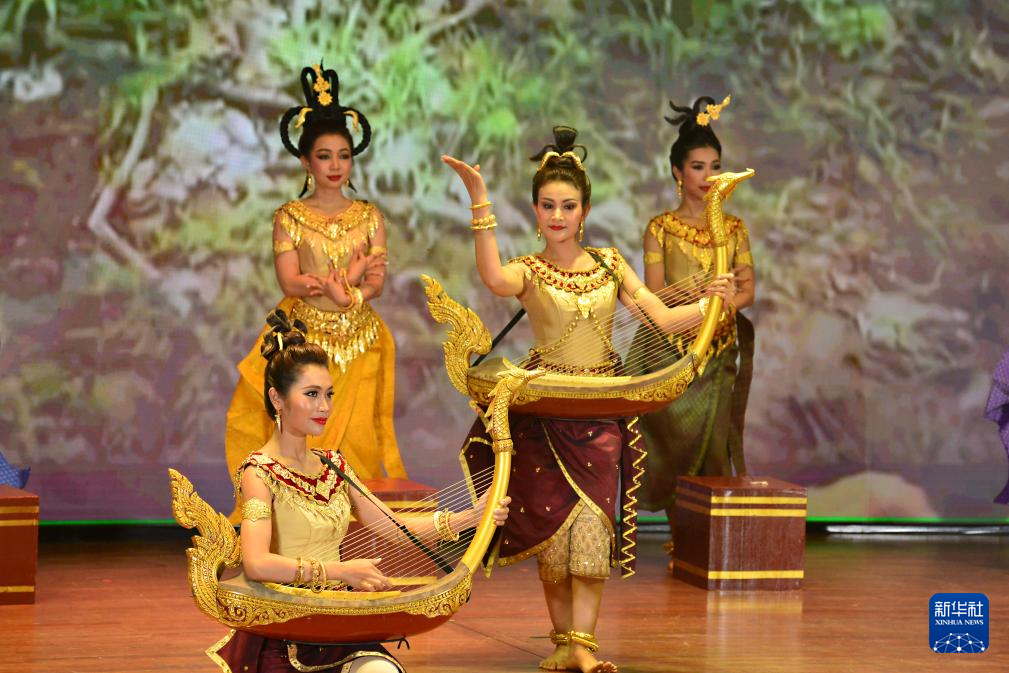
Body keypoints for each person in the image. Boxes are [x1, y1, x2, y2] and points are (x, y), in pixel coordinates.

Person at [442, 126, 735, 673]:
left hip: (599, 415)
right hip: (545, 415)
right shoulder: (528, 271)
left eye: (568, 206)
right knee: (553, 535)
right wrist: (479, 199)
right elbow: (492, 276)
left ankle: (585, 645)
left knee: (593, 532)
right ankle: (563, 642)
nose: (558, 215)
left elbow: (662, 318)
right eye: (548, 205)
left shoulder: (610, 264)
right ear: (535, 211)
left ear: (585, 211)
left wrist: (709, 304)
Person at [210, 310, 511, 672]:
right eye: (311, 394)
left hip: (340, 620)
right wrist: (340, 572)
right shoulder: (258, 472)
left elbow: (395, 528)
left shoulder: (334, 465)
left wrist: (470, 518)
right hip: (286, 627)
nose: (324, 406)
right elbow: (257, 563)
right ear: (277, 399)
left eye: (328, 394)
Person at [225, 63, 406, 521]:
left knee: (359, 442)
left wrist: (351, 296)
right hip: (304, 340)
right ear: (306, 162)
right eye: (324, 156)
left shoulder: (369, 216)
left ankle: (356, 537)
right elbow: (290, 282)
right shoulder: (289, 217)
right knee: (299, 438)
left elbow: (376, 283)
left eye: (343, 155)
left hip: (359, 342)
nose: (336, 166)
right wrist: (331, 283)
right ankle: (293, 529)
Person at [630, 96, 756, 568]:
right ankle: (678, 534)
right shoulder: (661, 228)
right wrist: (699, 299)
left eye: (716, 166)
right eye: (698, 167)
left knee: (715, 447)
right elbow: (655, 296)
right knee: (670, 447)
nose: (708, 176)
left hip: (717, 352)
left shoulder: (735, 229)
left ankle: (709, 545)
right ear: (677, 172)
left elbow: (748, 290)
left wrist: (723, 307)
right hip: (672, 351)